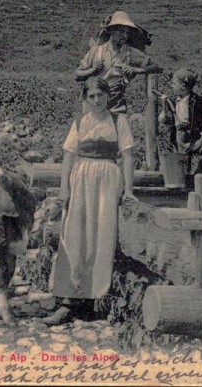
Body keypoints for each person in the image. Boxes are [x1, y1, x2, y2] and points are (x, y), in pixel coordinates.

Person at [42, 77, 138, 325]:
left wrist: (128, 189)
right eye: (91, 96)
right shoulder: (80, 122)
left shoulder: (119, 121)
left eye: (101, 95)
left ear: (108, 96)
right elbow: (68, 156)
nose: (97, 100)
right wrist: (64, 188)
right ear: (85, 98)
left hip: (107, 182)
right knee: (75, 235)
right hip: (81, 180)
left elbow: (127, 157)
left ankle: (95, 301)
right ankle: (68, 302)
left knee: (102, 237)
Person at [74, 11, 162, 114]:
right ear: (112, 30)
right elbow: (77, 75)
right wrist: (92, 70)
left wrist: (136, 70)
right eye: (121, 31)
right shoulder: (97, 51)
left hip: (115, 106)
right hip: (93, 105)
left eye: (127, 33)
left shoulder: (130, 52)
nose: (125, 35)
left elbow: (157, 67)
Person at [159, 68, 202, 174]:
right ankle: (185, 178)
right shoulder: (173, 102)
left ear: (183, 86)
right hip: (179, 138)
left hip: (195, 137)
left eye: (174, 83)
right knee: (182, 166)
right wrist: (164, 104)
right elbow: (163, 120)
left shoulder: (199, 101)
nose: (172, 86)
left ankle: (199, 173)